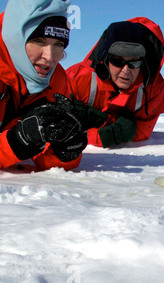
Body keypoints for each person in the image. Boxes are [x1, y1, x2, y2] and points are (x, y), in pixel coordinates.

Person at [0, 0, 102, 170]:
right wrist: (17, 142)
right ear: (15, 38)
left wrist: (67, 149)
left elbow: (45, 159)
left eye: (59, 44)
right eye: (39, 40)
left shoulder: (56, 81)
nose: (50, 56)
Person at [67, 17, 164, 148]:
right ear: (106, 59)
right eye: (118, 61)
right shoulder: (76, 78)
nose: (126, 70)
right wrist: (105, 129)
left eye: (134, 62)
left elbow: (144, 129)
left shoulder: (153, 87)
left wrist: (110, 134)